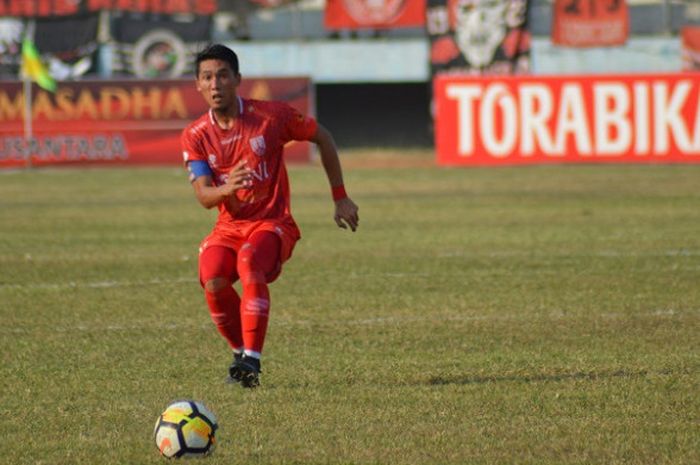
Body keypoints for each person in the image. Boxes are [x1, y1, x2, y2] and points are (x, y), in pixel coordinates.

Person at [181, 44, 359, 388]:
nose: (215, 84)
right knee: (212, 279)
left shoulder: (271, 117)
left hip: (274, 224)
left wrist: (340, 197)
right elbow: (204, 195)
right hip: (229, 227)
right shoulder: (195, 135)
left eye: (222, 75)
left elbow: (323, 137)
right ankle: (240, 354)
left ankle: (252, 361)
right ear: (198, 85)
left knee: (249, 261)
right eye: (207, 77)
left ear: (237, 80)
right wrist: (227, 189)